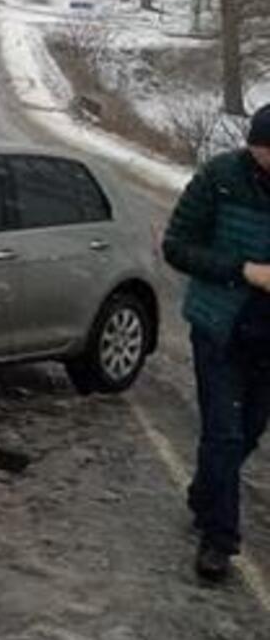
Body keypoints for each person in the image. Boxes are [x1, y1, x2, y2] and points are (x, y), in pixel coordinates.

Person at [164, 103, 270, 583]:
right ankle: (219, 540)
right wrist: (241, 270)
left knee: (248, 432)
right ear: (253, 146)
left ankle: (205, 491)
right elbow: (177, 245)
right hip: (219, 327)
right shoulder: (220, 177)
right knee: (224, 432)